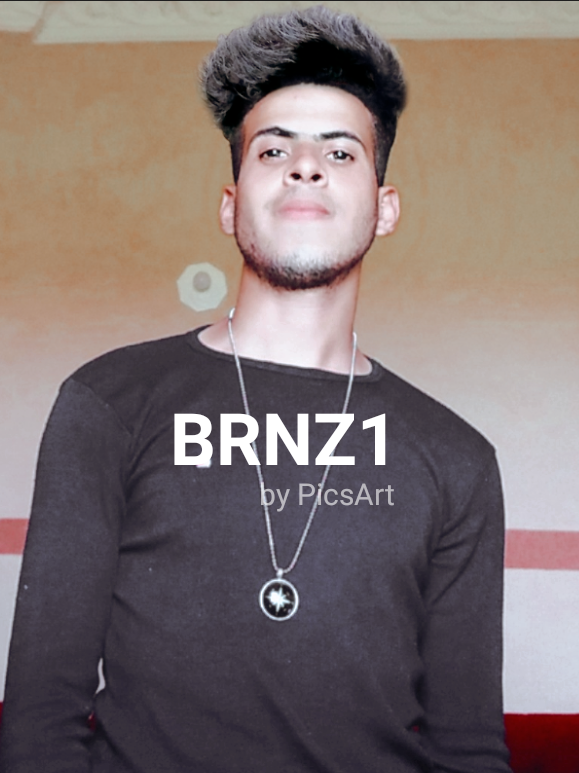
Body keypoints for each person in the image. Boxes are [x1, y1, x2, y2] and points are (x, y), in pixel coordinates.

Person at [0, 6, 511, 772]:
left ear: (385, 208)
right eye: (273, 149)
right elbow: (40, 723)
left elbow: (467, 748)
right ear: (230, 203)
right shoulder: (108, 403)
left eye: (339, 151)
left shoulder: (457, 459)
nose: (305, 166)